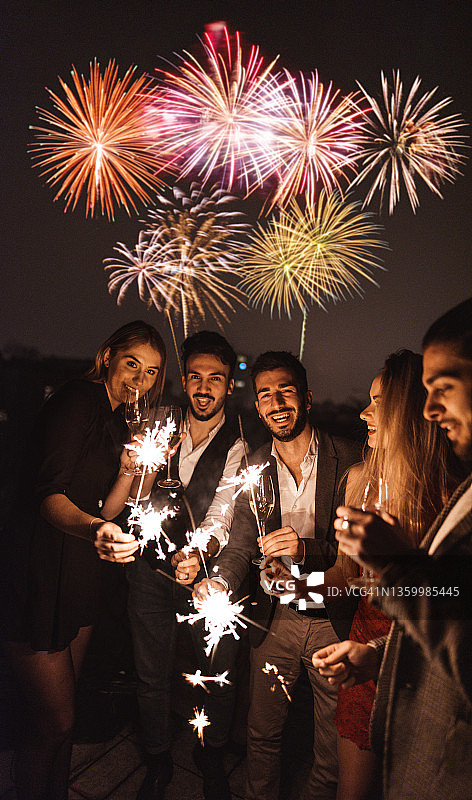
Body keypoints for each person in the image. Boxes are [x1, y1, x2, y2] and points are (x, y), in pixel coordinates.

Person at [313, 298, 472, 800]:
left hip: (430, 688)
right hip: (370, 656)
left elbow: (453, 602)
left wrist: (397, 565)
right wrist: (295, 585)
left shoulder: (450, 494)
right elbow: (348, 579)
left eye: (378, 401)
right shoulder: (360, 481)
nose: (364, 413)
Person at [1, 320, 166, 800]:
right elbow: (48, 497)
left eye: (152, 372)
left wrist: (134, 469)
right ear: (108, 355)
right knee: (55, 722)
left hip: (77, 573)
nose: (139, 379)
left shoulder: (119, 421)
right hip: (39, 570)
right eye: (132, 363)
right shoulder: (78, 399)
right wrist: (95, 530)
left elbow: (111, 509)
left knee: (63, 723)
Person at [194, 351, 362, 800]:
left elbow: (361, 553)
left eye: (285, 390)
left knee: (332, 746)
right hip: (276, 619)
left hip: (332, 620)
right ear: (257, 405)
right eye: (265, 394)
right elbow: (241, 544)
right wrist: (220, 582)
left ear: (307, 397)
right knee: (262, 735)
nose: (277, 402)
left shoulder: (350, 458)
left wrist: (306, 548)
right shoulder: (255, 466)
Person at [123, 331, 246, 800]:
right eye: (195, 377)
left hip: (205, 580)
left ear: (229, 385)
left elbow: (222, 513)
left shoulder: (240, 444)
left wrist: (199, 553)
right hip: (149, 571)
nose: (203, 387)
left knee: (218, 675)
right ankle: (157, 758)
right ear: (184, 379)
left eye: (215, 378)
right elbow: (134, 494)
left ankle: (211, 753)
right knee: (150, 674)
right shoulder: (161, 422)